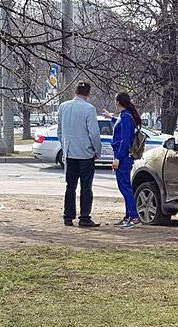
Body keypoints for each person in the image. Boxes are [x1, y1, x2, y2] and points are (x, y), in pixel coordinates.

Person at [57, 81, 102, 227]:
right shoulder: (89, 109)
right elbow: (94, 133)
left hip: (69, 153)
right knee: (86, 187)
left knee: (70, 186)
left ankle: (68, 216)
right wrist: (97, 150)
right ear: (88, 94)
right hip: (85, 154)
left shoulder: (63, 107)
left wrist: (65, 146)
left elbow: (59, 131)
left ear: (75, 92)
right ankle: (84, 217)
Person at [103, 92, 141, 228]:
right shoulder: (125, 116)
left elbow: (125, 139)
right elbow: (121, 128)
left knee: (124, 187)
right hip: (123, 155)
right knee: (124, 186)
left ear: (118, 102)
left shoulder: (125, 117)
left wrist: (117, 158)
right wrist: (111, 118)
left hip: (123, 156)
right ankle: (128, 215)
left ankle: (134, 216)